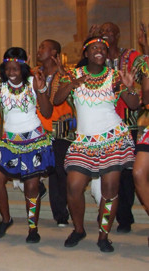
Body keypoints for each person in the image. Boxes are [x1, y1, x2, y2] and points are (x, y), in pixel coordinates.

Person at [55, 37, 138, 252]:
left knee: (110, 190)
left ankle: (103, 235)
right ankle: (79, 229)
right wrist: (71, 84)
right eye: (94, 48)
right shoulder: (74, 75)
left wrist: (129, 88)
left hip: (113, 139)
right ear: (86, 52)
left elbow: (134, 104)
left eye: (103, 48)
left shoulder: (114, 77)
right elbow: (56, 99)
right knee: (73, 186)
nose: (99, 51)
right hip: (84, 141)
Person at [0, 47, 54, 243]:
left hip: (34, 140)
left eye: (16, 68)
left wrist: (41, 89)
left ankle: (33, 228)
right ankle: (6, 219)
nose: (11, 72)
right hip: (9, 142)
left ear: (23, 68)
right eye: (8, 68)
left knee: (31, 186)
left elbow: (48, 112)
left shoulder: (34, 82)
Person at [88, 22, 149, 233]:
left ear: (118, 35)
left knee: (125, 172)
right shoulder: (98, 59)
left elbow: (146, 70)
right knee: (106, 171)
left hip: (128, 121)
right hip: (102, 123)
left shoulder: (131, 56)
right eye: (102, 31)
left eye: (110, 31)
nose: (106, 34)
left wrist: (145, 48)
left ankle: (124, 217)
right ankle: (106, 214)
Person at [34, 39, 72, 227]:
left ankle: (61, 214)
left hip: (60, 127)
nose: (39, 49)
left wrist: (64, 74)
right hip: (39, 128)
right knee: (35, 166)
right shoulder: (35, 73)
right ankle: (38, 187)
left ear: (54, 52)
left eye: (43, 47)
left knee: (59, 172)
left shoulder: (65, 74)